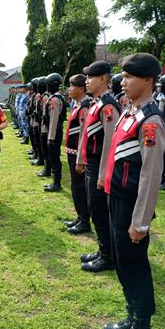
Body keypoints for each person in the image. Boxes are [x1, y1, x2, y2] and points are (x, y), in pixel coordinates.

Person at [103, 53, 165, 329]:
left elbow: (150, 175)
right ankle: (131, 315)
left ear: (148, 80)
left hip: (132, 205)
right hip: (117, 199)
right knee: (122, 262)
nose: (122, 82)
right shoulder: (130, 112)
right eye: (123, 76)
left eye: (129, 77)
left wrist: (140, 222)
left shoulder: (150, 120)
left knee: (135, 265)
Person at [76, 61, 121, 271]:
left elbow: (110, 144)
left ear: (103, 79)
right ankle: (103, 250)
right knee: (96, 210)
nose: (86, 81)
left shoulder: (108, 106)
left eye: (90, 78)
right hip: (91, 165)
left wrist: (103, 173)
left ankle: (108, 256)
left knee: (101, 212)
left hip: (99, 166)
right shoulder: (96, 102)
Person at [63, 74, 91, 234]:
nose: (69, 89)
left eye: (72, 86)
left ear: (81, 89)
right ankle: (80, 217)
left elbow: (84, 134)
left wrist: (80, 159)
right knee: (75, 186)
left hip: (78, 154)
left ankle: (84, 221)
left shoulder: (85, 107)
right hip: (73, 152)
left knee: (80, 188)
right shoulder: (78, 104)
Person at [43, 73, 67, 192]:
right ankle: (55, 181)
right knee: (53, 157)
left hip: (54, 132)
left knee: (54, 157)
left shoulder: (54, 100)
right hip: (54, 131)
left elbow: (53, 119)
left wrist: (51, 138)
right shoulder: (56, 98)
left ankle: (57, 183)